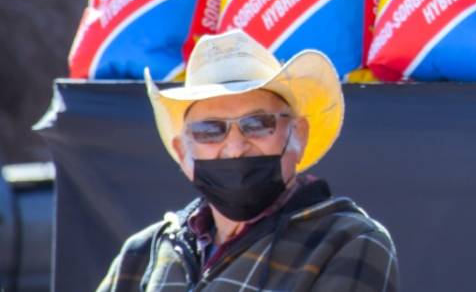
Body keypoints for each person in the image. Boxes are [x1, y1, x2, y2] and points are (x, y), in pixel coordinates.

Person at [97, 29, 400, 291]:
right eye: (210, 130)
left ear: (298, 134)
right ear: (182, 152)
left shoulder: (346, 242)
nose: (235, 147)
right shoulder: (143, 253)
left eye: (257, 124)